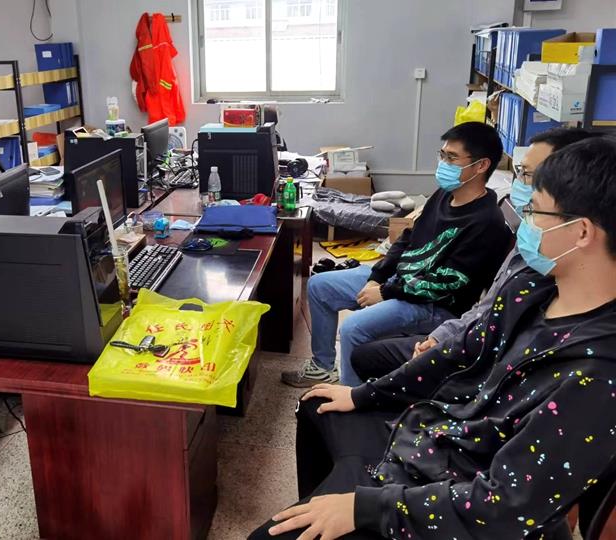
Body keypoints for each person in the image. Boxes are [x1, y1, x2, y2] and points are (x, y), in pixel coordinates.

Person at [250, 136, 616, 540]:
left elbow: (505, 506)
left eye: (535, 210)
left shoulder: (598, 374)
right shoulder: (532, 290)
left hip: (457, 497)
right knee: (316, 404)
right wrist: (363, 395)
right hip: (440, 439)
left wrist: (364, 508)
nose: (524, 220)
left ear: (581, 231)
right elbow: (457, 352)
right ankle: (325, 505)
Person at [351, 128, 602, 384]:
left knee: (356, 333)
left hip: (454, 330)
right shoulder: (528, 242)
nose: (520, 185)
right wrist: (437, 336)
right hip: (453, 325)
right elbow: (486, 308)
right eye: (519, 172)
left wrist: (388, 292)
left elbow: (459, 296)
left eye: (528, 175)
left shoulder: (501, 232)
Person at [282, 122, 512, 388]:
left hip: (434, 306)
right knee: (319, 286)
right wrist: (377, 277)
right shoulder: (444, 194)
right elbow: (408, 238)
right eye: (442, 155)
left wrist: (385, 292)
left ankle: (352, 396)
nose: (443, 164)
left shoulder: (487, 223)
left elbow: (445, 285)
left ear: (481, 165)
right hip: (400, 283)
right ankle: (323, 367)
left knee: (353, 328)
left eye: (452, 157)